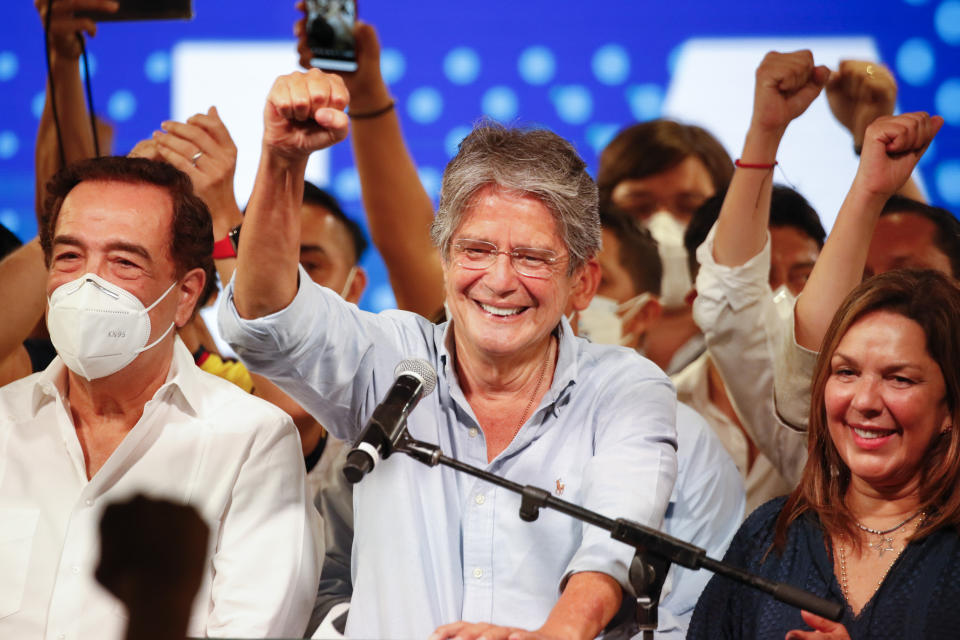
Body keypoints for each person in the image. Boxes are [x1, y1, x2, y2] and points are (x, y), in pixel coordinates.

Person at [220, 69, 678, 639]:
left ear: (582, 283)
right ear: (444, 261)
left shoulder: (626, 387)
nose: (500, 280)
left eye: (533, 258)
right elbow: (267, 317)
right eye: (477, 250)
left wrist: (555, 636)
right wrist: (283, 162)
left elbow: (618, 536)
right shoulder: (393, 363)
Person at [0, 156, 321, 639]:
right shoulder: (5, 421)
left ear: (186, 294)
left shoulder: (251, 441)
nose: (89, 283)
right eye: (69, 256)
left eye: (124, 262)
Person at [688, 269, 960, 639]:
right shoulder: (769, 538)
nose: (863, 401)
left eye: (899, 378)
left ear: (949, 408)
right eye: (846, 372)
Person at [573, 212, 745, 638]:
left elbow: (701, 618)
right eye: (565, 270)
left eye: (596, 279)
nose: (576, 295)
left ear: (643, 313)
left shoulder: (689, 441)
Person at [596, 119, 734, 375]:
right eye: (639, 208)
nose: (663, 228)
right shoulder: (574, 336)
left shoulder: (753, 339)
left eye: (689, 208)